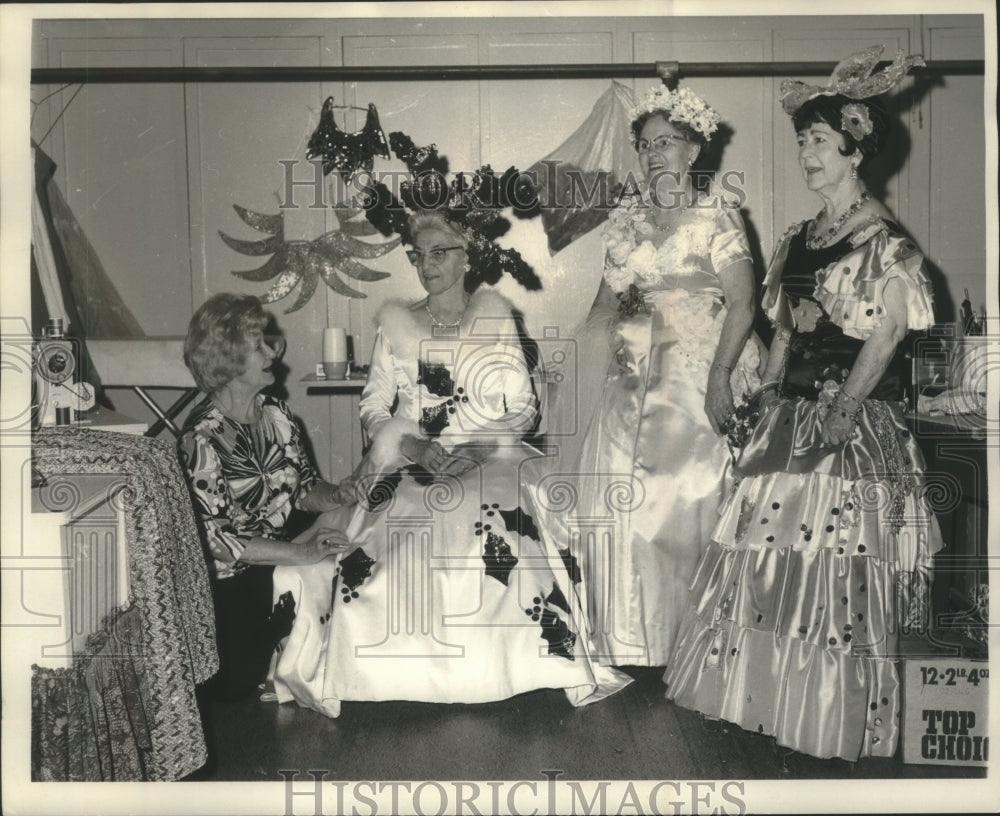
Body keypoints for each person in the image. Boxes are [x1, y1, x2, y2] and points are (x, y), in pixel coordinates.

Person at [664, 47, 941, 761]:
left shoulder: (882, 240)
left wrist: (847, 406)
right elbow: (784, 328)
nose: (806, 154)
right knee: (763, 562)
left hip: (846, 420)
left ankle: (824, 713)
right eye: (802, 143)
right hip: (789, 416)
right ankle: (761, 698)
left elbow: (886, 331)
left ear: (854, 152)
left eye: (818, 142)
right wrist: (764, 388)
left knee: (829, 573)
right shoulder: (797, 239)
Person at [270, 210, 631, 717]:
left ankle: (513, 666)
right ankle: (383, 672)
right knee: (399, 528)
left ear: (468, 257)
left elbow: (523, 406)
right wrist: (413, 447)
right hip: (411, 456)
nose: (426, 265)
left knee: (496, 527)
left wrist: (482, 447)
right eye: (419, 256)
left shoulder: (495, 319)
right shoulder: (396, 323)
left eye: (439, 253)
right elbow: (374, 407)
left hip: (491, 454)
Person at [536, 84, 762, 668]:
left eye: (667, 142)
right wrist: (572, 370)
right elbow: (603, 303)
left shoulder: (719, 215)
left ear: (692, 150)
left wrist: (720, 380)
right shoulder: (627, 221)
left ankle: (688, 645)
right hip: (630, 374)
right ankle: (623, 639)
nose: (654, 153)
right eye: (645, 144)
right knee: (615, 501)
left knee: (682, 503)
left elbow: (743, 304)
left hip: (694, 375)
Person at [178, 293, 349, 702]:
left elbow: (306, 489)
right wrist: (302, 552)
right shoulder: (200, 437)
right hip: (235, 581)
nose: (273, 351)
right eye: (259, 345)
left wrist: (342, 493)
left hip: (280, 553)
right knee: (243, 680)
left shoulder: (277, 414)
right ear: (229, 359)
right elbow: (220, 543)